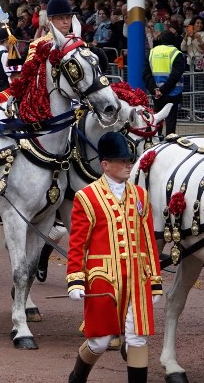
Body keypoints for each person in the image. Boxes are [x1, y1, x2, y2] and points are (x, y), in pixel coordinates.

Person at [66, 132, 163, 383]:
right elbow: (78, 243)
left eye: (130, 160)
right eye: (122, 161)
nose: (129, 165)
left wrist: (154, 280)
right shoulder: (86, 197)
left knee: (137, 337)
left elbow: (148, 240)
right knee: (99, 342)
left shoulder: (140, 195)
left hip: (138, 277)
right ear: (105, 164)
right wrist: (75, 279)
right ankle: (77, 376)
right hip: (104, 279)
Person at [143, 31, 186, 136]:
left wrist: (154, 90)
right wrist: (163, 90)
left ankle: (156, 144)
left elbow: (145, 74)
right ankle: (169, 146)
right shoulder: (176, 53)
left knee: (157, 121)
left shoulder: (152, 52)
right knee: (170, 124)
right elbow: (175, 76)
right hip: (173, 93)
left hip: (157, 94)